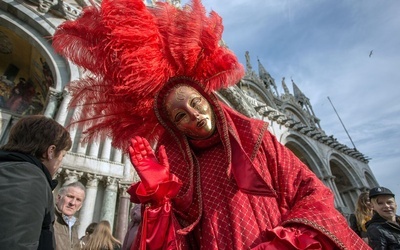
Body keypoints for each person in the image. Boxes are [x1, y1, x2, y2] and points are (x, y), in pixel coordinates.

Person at [52, 0, 370, 248]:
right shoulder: (185, 169)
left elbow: (313, 193)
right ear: (174, 127)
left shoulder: (257, 140)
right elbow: (177, 236)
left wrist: (288, 241)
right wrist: (160, 195)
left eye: (196, 103)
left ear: (210, 99)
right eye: (180, 117)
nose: (194, 116)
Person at [0, 115, 72, 249]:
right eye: (62, 155)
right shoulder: (29, 179)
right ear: (50, 152)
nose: (60, 163)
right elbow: (16, 243)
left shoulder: (9, 169)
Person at [54, 182, 86, 250]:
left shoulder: (73, 225)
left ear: (80, 206)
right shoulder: (48, 219)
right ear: (59, 198)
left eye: (78, 200)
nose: (72, 203)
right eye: (70, 196)